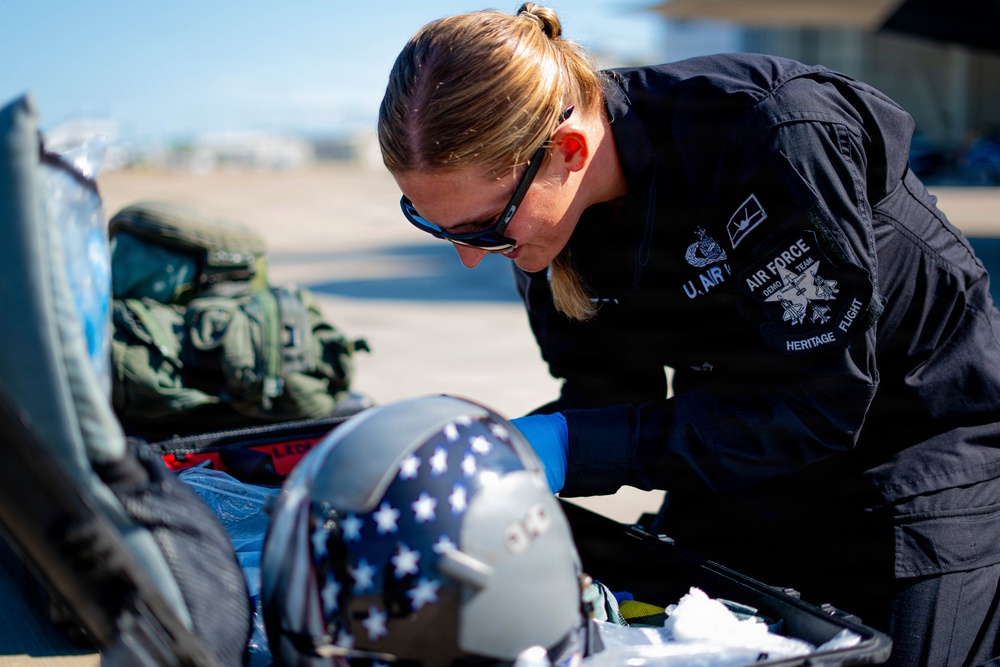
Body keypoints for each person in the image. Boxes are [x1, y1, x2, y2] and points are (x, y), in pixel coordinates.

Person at [375, 4, 1000, 666]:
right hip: (741, 445)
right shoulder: (542, 227)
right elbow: (606, 393)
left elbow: (820, 400)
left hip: (916, 454)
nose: (471, 254)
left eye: (481, 226)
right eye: (434, 224)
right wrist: (491, 459)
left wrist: (567, 444)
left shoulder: (770, 133)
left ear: (568, 152)